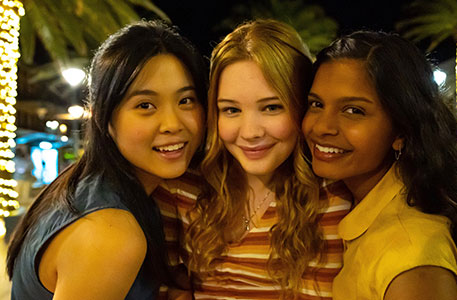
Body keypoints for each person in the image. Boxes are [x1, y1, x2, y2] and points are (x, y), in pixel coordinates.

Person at [6, 20, 207, 300]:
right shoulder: (110, 234)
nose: (172, 124)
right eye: (145, 106)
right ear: (105, 117)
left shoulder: (86, 185)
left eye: (186, 100)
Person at [302, 30, 457, 300]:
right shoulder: (368, 210)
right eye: (316, 104)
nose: (322, 126)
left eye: (354, 110)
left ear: (401, 130)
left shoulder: (410, 256)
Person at [153, 19, 351, 299]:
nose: (250, 132)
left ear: (301, 105)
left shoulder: (331, 200)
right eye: (231, 110)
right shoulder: (184, 190)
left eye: (271, 107)